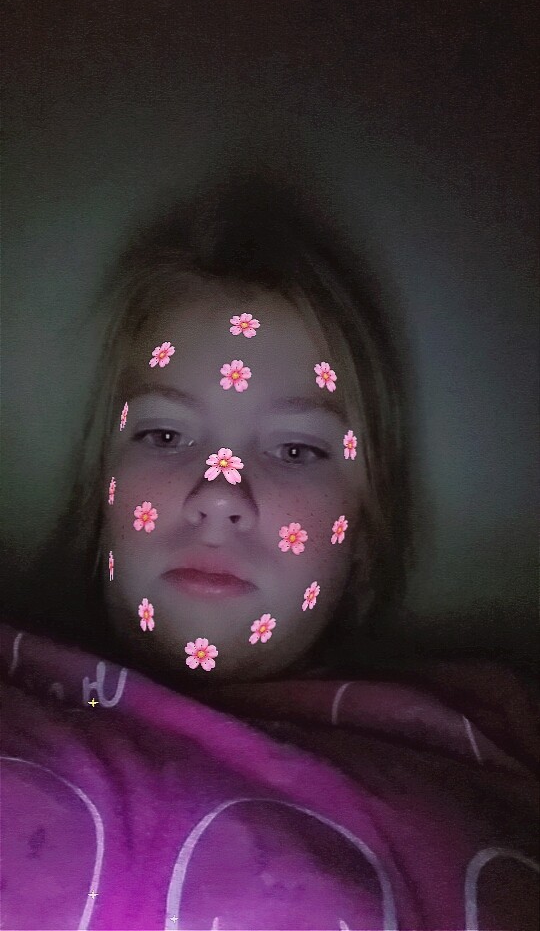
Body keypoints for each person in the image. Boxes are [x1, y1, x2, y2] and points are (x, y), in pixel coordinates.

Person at [1, 169, 538, 930]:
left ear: (365, 530)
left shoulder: (478, 733)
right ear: (103, 494)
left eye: (295, 451)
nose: (220, 492)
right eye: (164, 435)